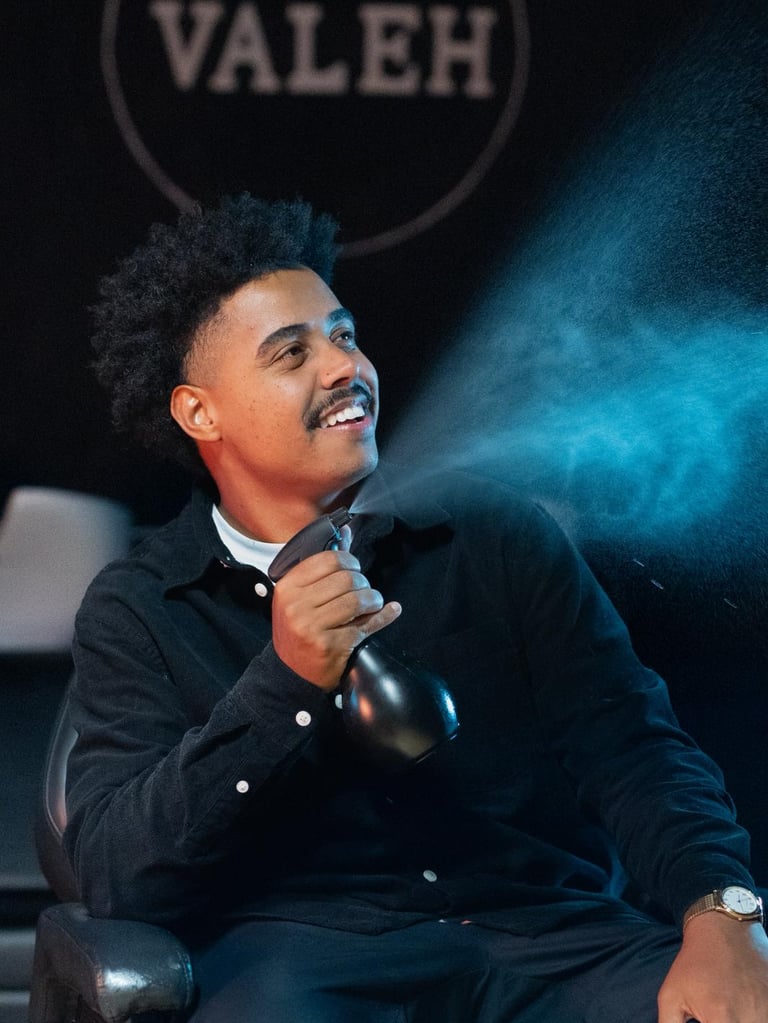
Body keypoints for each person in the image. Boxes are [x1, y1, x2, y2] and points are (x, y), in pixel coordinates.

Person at [65, 194, 768, 1022]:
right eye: (291, 352)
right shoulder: (141, 607)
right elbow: (118, 872)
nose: (344, 368)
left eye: (344, 335)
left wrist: (724, 913)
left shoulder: (494, 532)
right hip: (298, 967)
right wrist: (285, 686)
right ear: (199, 411)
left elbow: (634, 750)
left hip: (547, 939)